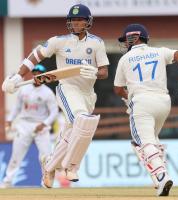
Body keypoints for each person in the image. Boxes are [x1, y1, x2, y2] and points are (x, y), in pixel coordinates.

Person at [2, 4, 109, 188]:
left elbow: (104, 72)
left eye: (79, 20)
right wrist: (18, 76)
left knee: (72, 132)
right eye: (72, 20)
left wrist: (94, 73)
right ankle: (71, 167)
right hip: (67, 89)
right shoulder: (58, 41)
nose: (75, 23)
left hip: (88, 94)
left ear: (88, 22)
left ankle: (50, 165)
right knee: (83, 120)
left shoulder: (97, 43)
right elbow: (34, 57)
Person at [113, 23, 178, 196]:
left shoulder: (125, 59)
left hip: (142, 102)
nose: (126, 43)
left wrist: (127, 99)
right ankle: (158, 180)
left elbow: (118, 88)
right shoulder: (159, 51)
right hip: (163, 103)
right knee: (151, 142)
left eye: (127, 40)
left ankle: (162, 175)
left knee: (143, 143)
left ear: (133, 38)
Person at [0, 64, 58, 188]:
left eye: (40, 73)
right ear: (32, 74)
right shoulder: (24, 89)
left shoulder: (47, 93)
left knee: (46, 156)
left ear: (44, 75)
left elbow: (54, 112)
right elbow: (17, 107)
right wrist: (10, 120)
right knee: (16, 154)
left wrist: (44, 124)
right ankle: (7, 181)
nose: (37, 75)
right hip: (24, 124)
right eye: (35, 72)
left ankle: (47, 182)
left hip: (41, 126)